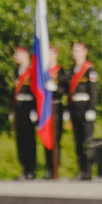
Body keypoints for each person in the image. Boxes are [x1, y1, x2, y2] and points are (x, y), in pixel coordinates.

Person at [65, 42, 101, 180]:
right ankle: (81, 169)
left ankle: (89, 170)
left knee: (88, 140)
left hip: (85, 106)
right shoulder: (71, 71)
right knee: (78, 140)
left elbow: (93, 91)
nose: (76, 53)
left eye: (79, 50)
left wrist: (91, 108)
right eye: (74, 50)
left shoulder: (89, 70)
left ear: (85, 52)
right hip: (74, 107)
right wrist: (68, 110)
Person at [12, 47, 38, 179]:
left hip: (29, 106)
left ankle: (31, 169)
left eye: (18, 54)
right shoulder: (17, 71)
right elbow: (13, 92)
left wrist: (35, 109)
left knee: (29, 139)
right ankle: (24, 168)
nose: (15, 56)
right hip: (19, 108)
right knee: (20, 140)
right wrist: (12, 110)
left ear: (25, 55)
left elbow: (36, 91)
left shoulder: (32, 70)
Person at [44, 45, 62, 179]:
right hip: (45, 107)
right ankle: (48, 168)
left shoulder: (60, 71)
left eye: (52, 54)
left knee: (56, 139)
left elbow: (64, 90)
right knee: (46, 138)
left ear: (56, 55)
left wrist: (55, 89)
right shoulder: (43, 72)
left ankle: (56, 168)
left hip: (56, 106)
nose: (49, 56)